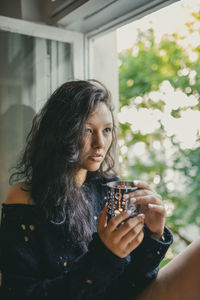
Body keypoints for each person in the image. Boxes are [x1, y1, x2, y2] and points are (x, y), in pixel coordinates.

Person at [0, 79, 194, 300]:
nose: (100, 143)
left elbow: (134, 282)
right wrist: (106, 256)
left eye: (107, 130)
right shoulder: (24, 197)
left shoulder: (111, 190)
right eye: (87, 130)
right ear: (62, 132)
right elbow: (20, 294)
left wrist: (154, 234)